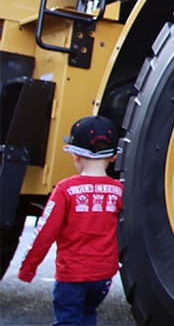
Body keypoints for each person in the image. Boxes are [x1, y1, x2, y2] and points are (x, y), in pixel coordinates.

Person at [18, 115, 124, 326]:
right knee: (87, 314)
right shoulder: (119, 191)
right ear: (113, 157)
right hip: (103, 277)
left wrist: (28, 268)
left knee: (68, 319)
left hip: (72, 276)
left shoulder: (65, 190)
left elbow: (45, 232)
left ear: (75, 155)